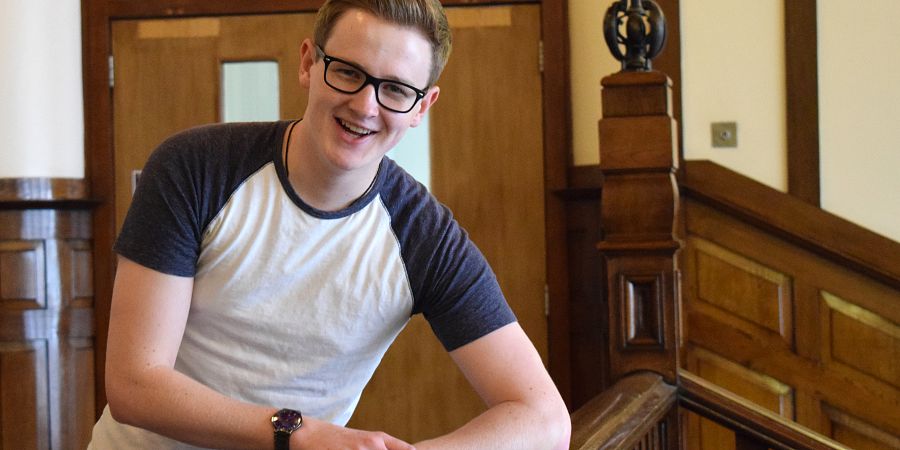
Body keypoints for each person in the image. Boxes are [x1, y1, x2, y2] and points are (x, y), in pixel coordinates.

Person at [88, 0, 571, 448]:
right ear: (307, 64)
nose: (364, 106)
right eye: (347, 72)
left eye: (396, 89)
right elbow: (135, 383)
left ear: (422, 107)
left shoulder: (424, 237)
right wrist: (296, 432)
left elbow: (545, 417)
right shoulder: (195, 167)